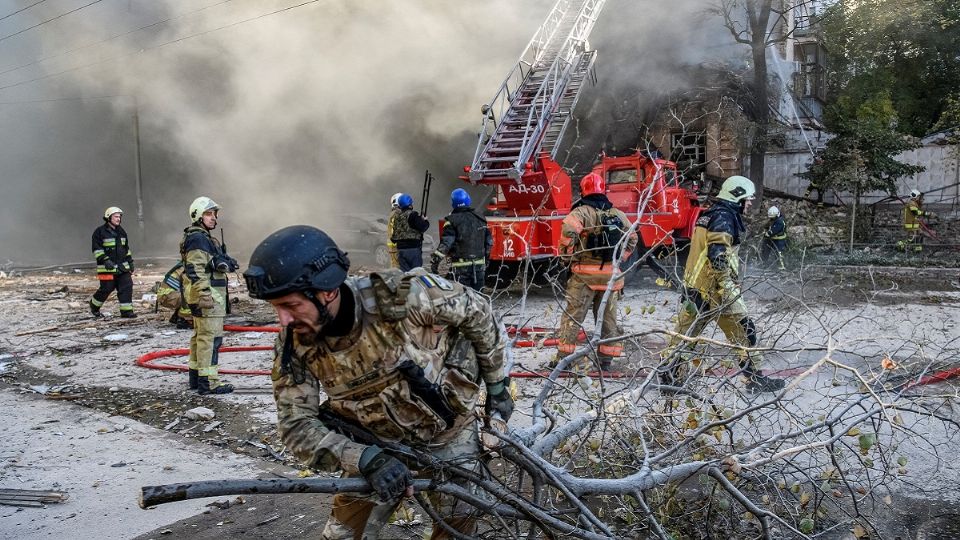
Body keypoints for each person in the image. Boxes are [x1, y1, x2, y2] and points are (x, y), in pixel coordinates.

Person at [242, 225, 512, 539]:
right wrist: (366, 459)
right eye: (276, 308)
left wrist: (497, 387)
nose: (283, 321)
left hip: (448, 435)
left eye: (290, 306)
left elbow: (479, 312)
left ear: (327, 291)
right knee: (341, 537)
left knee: (458, 528)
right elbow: (295, 425)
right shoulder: (295, 345)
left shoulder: (403, 296)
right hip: (375, 447)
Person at [661, 175, 785, 393]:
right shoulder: (724, 218)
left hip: (695, 288)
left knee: (684, 336)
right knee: (745, 332)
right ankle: (754, 380)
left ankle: (669, 380)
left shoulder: (709, 215)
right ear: (736, 196)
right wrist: (729, 290)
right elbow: (718, 256)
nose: (749, 203)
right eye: (747, 199)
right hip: (715, 290)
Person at [551, 172, 638, 371]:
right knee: (608, 319)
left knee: (573, 318)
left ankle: (565, 359)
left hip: (584, 278)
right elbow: (633, 238)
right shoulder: (617, 214)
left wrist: (567, 258)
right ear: (602, 190)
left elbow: (567, 237)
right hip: (611, 278)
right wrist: (620, 257)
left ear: (583, 191)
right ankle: (606, 360)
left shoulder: (580, 213)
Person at [181, 196, 238, 395]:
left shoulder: (202, 237)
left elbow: (206, 264)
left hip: (205, 294)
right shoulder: (198, 238)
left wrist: (225, 261)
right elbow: (195, 268)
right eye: (208, 214)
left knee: (200, 337)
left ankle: (196, 378)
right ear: (197, 215)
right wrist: (205, 294)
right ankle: (209, 383)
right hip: (209, 296)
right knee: (211, 339)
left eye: (214, 214)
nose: (213, 218)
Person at [430, 188, 492, 291]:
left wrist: (435, 261)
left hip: (460, 268)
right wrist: (487, 260)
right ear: (468, 200)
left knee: (461, 298)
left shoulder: (451, 221)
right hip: (479, 267)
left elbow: (446, 244)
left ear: (453, 203)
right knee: (479, 299)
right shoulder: (480, 219)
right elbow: (489, 242)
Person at [89, 206, 136, 318]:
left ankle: (126, 311)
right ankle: (94, 305)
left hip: (122, 267)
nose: (118, 219)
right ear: (108, 217)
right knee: (106, 289)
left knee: (126, 286)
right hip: (107, 268)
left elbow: (126, 249)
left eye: (119, 217)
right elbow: (97, 249)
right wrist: (105, 260)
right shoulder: (99, 232)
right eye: (116, 217)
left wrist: (130, 262)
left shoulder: (122, 232)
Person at [388, 193, 429, 271]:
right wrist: (425, 220)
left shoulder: (397, 217)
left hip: (400, 250)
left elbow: (394, 236)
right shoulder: (413, 215)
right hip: (413, 249)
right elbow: (423, 227)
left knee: (405, 276)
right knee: (416, 273)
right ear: (410, 204)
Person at [156, 262, 193, 329]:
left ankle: (176, 316)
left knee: (188, 292)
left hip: (167, 296)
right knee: (194, 294)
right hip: (168, 297)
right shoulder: (190, 268)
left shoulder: (186, 264)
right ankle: (185, 320)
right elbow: (190, 288)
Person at [762, 206, 787, 270]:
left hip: (779, 240)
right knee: (765, 249)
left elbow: (774, 230)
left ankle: (781, 266)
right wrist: (765, 229)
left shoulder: (780, 222)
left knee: (779, 253)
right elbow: (768, 225)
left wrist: (768, 233)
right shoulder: (774, 219)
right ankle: (764, 263)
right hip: (772, 239)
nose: (771, 219)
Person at [386, 193, 402, 269]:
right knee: (397, 268)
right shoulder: (397, 214)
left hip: (393, 247)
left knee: (394, 266)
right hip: (397, 246)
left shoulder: (392, 214)